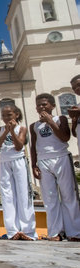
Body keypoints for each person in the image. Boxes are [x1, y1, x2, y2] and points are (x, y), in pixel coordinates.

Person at [30, 93, 80, 242]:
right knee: (50, 198)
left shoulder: (61, 119)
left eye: (44, 104)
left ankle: (74, 232)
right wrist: (34, 164)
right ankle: (55, 232)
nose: (41, 107)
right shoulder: (35, 126)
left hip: (61, 157)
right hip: (43, 161)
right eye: (39, 105)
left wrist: (51, 121)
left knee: (68, 195)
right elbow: (33, 146)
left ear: (52, 105)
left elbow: (65, 137)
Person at [0, 104, 37, 240]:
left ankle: (28, 231)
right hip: (4, 162)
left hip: (18, 161)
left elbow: (19, 146)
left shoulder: (22, 128)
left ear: (16, 115)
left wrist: (12, 131)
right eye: (4, 115)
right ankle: (12, 230)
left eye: (9, 115)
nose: (6, 118)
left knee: (23, 193)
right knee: (7, 195)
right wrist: (6, 131)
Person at [67, 74, 80, 155]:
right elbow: (75, 134)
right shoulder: (77, 106)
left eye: (79, 85)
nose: (77, 89)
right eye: (74, 88)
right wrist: (74, 120)